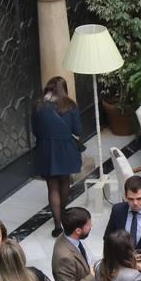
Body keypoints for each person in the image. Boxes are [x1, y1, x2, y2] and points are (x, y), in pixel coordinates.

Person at [33, 76, 85, 237]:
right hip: (66, 148)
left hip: (46, 149)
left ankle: (57, 225)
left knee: (52, 186)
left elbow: (34, 130)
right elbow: (78, 130)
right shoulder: (70, 105)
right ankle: (62, 212)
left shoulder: (38, 106)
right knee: (64, 181)